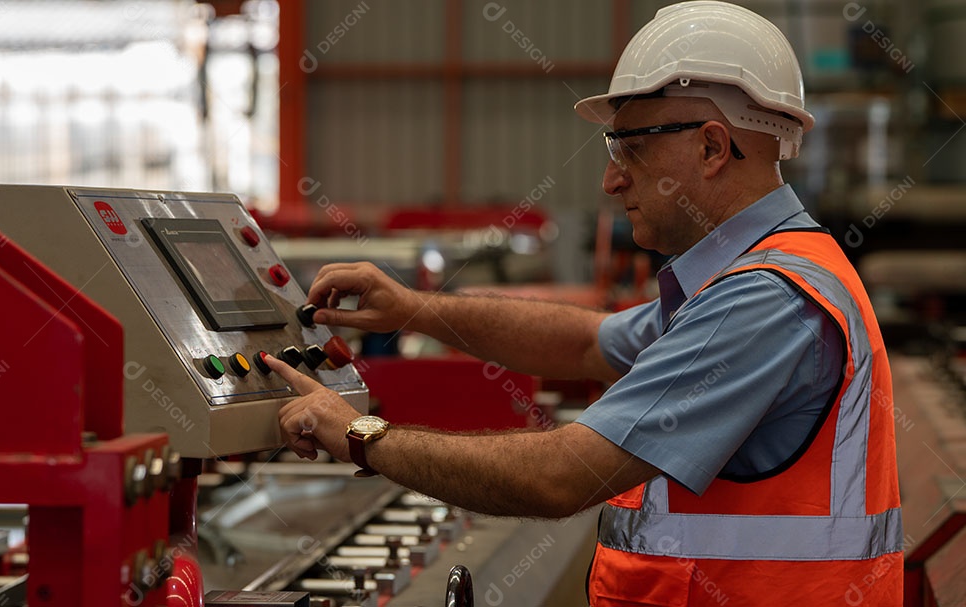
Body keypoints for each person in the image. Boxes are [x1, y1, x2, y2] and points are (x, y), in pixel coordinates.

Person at [267, 2, 903, 605]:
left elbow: (559, 476)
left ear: (712, 148)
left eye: (632, 146)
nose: (611, 178)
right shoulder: (749, 277)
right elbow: (581, 343)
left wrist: (358, 434)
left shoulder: (763, 301)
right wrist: (415, 310)